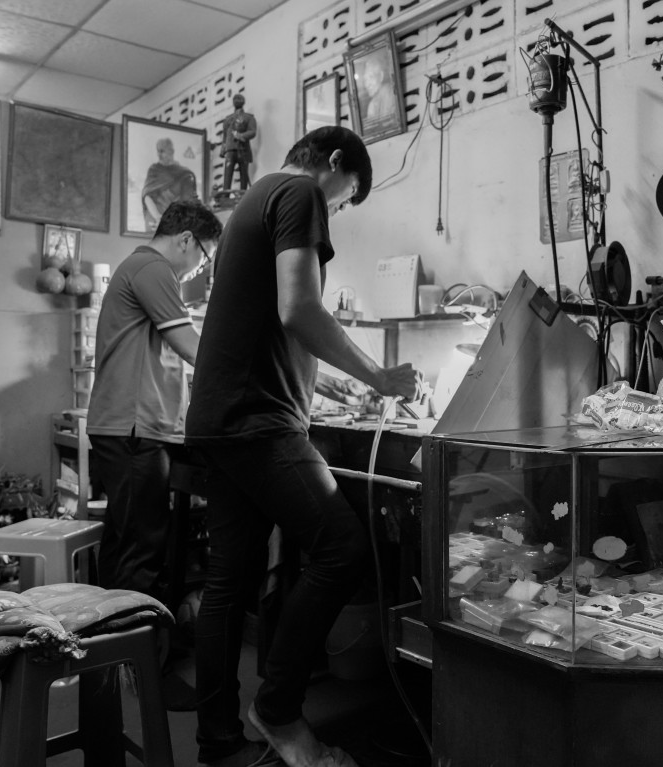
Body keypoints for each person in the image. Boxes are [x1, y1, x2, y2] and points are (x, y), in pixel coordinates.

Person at [186, 126, 420, 767]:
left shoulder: (254, 198)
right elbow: (299, 308)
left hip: (220, 418)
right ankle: (280, 712)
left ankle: (218, 740)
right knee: (342, 548)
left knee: (228, 585)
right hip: (257, 421)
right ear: (336, 164)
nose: (336, 212)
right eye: (345, 199)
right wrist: (380, 376)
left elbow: (272, 320)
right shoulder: (298, 193)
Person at [87, 199, 220, 614]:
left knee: (128, 539)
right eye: (204, 257)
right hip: (133, 429)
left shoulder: (141, 269)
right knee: (139, 549)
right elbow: (193, 348)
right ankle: (124, 662)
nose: (201, 268)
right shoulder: (153, 269)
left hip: (135, 427)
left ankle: (115, 655)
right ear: (186, 239)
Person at [142, 137, 199, 233]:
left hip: (175, 221)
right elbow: (147, 196)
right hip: (155, 217)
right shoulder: (154, 170)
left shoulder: (185, 174)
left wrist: (168, 222)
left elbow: (187, 204)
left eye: (162, 151)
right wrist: (157, 217)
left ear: (171, 151)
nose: (159, 155)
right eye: (158, 151)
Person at [221, 93, 257, 191]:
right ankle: (225, 195)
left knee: (243, 175)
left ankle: (243, 196)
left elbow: (252, 131)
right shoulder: (228, 119)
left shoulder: (249, 118)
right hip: (230, 149)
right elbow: (225, 135)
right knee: (227, 174)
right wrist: (223, 148)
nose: (237, 100)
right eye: (235, 99)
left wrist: (241, 136)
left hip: (243, 148)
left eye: (239, 99)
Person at [360, 56, 396, 128]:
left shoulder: (390, 93)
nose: (367, 84)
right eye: (365, 80)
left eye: (371, 77)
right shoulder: (371, 105)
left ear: (381, 76)